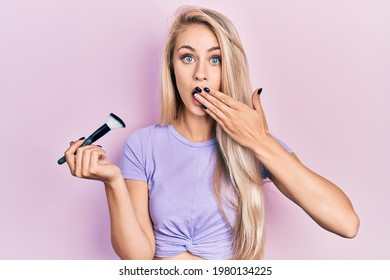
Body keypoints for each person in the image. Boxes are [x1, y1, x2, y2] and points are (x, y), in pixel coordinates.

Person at [64, 6, 359, 260]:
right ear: (172, 67)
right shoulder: (143, 145)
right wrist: (113, 182)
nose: (201, 74)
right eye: (188, 58)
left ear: (228, 69)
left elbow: (346, 224)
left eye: (215, 59)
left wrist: (259, 141)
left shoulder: (257, 145)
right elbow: (137, 257)